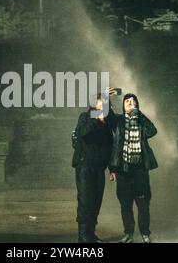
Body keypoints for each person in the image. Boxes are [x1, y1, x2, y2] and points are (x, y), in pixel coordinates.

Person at [109, 93, 158, 243]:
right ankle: (129, 234)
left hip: (140, 169)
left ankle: (145, 233)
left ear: (137, 105)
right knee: (125, 204)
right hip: (123, 169)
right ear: (123, 106)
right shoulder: (118, 121)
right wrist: (105, 97)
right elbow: (105, 114)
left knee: (143, 204)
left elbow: (152, 131)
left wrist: (139, 114)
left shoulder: (141, 121)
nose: (130, 103)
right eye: (127, 102)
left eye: (133, 102)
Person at [72, 88, 117, 243]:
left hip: (99, 168)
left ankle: (90, 234)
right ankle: (83, 236)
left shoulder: (108, 123)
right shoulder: (85, 117)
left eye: (106, 101)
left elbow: (110, 146)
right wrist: (98, 117)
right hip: (85, 167)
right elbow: (83, 133)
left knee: (96, 201)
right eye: (100, 100)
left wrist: (112, 168)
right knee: (86, 200)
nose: (103, 103)